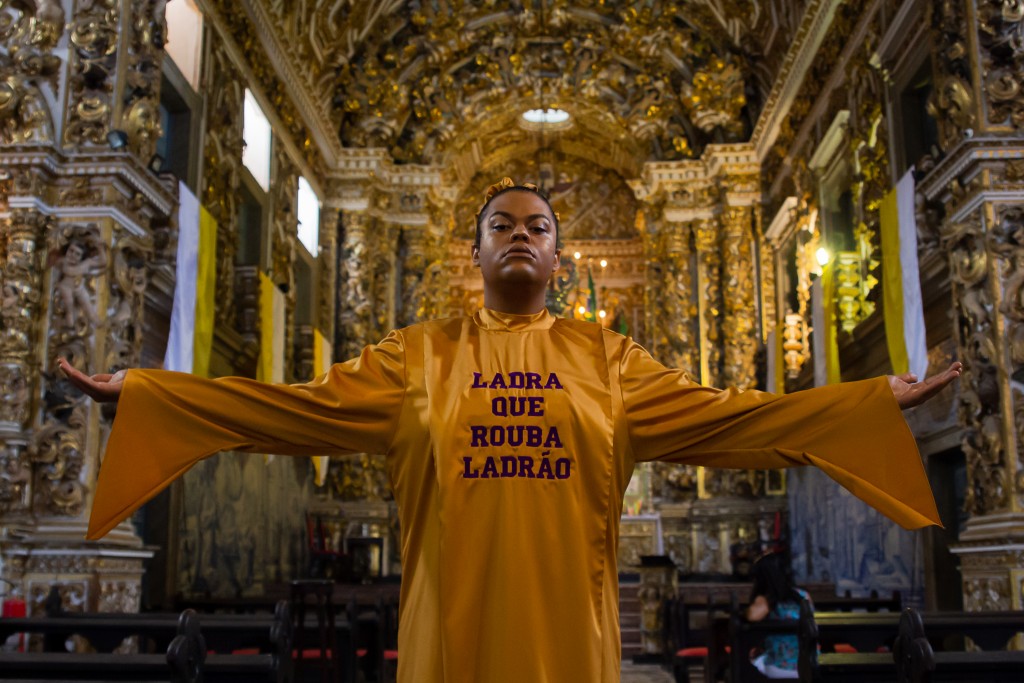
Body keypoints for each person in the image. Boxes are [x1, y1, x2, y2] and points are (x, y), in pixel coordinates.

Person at [60, 178, 961, 683]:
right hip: (450, 640)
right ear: (478, 253)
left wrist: (869, 398)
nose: (520, 235)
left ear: (560, 259)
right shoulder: (417, 355)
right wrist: (151, 391)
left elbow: (738, 419)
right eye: (502, 225)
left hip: (571, 638)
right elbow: (289, 408)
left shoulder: (610, 363)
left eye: (538, 226)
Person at [745, 551, 809, 679]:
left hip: (780, 666)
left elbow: (751, 616)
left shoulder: (767, 600)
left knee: (750, 662)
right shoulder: (803, 596)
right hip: (808, 666)